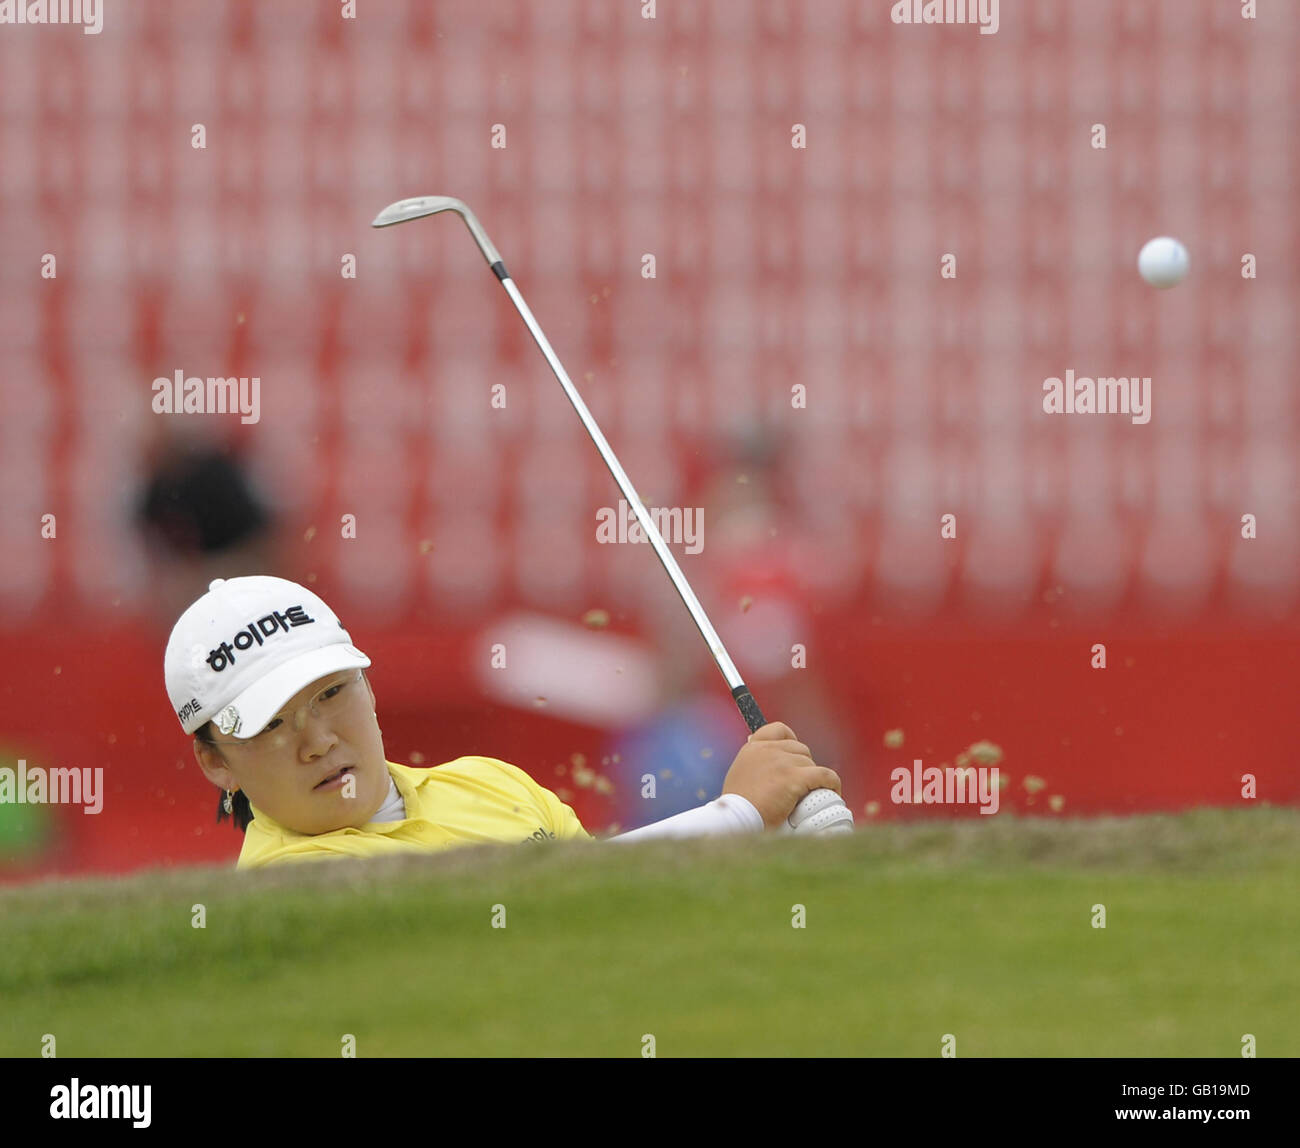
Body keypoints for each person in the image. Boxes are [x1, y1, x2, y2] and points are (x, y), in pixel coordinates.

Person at [164, 576, 845, 869]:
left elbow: (620, 906)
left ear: (368, 686)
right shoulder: (287, 884)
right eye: (271, 725)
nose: (317, 740)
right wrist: (736, 814)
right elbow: (503, 914)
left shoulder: (492, 785)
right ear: (217, 762)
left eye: (332, 694)